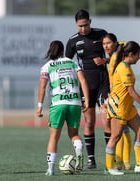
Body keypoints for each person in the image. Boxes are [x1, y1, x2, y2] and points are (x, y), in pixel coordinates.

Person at [36, 40, 89, 176]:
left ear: (50, 51)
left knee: (54, 137)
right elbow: (83, 80)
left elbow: (42, 87)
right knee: (74, 134)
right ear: (63, 51)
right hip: (75, 103)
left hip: (58, 104)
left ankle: (51, 169)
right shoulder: (72, 63)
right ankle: (79, 152)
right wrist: (86, 100)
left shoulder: (47, 66)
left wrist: (40, 106)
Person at [65, 9, 109, 169]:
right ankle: (91, 160)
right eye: (79, 26)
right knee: (89, 122)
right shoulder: (72, 41)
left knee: (107, 121)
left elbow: (116, 53)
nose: (83, 29)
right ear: (76, 25)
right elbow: (67, 65)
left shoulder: (102, 34)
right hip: (85, 86)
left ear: (90, 21)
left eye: (85, 25)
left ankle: (110, 158)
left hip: (104, 82)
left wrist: (105, 60)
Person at [104, 41, 140, 175]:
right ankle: (109, 168)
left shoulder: (126, 66)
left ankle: (139, 165)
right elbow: (131, 92)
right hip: (119, 107)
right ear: (131, 54)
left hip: (128, 107)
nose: (139, 57)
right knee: (115, 137)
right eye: (138, 55)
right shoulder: (124, 68)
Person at [102, 33, 132, 170]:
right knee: (122, 133)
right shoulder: (115, 57)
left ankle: (121, 162)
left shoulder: (116, 58)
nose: (105, 46)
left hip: (119, 98)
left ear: (115, 44)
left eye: (108, 43)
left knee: (120, 133)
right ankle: (122, 162)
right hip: (119, 98)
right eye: (104, 44)